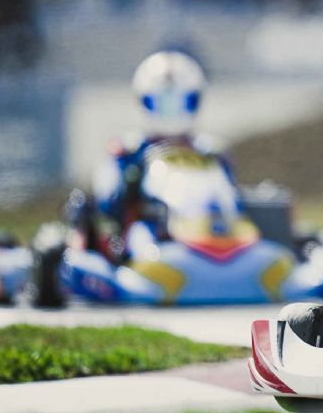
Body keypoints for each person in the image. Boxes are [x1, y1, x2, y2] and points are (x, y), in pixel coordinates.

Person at [68, 50, 230, 262]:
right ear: (145, 102)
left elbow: (230, 201)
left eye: (180, 102)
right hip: (150, 235)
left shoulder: (211, 152)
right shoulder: (128, 151)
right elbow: (108, 202)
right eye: (163, 103)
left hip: (211, 230)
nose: (172, 112)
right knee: (139, 234)